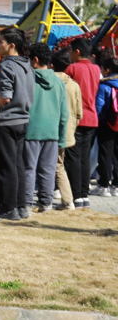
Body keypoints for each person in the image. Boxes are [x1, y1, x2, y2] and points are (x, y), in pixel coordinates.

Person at [0, 28, 34, 220]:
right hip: (23, 119)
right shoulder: (27, 65)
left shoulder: (7, 65)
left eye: (0, 41)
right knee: (17, 165)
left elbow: (5, 97)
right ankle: (21, 206)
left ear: (11, 45)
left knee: (6, 166)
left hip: (7, 120)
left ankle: (9, 208)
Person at [24, 44, 69, 211]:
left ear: (35, 60)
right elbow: (65, 114)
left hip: (30, 131)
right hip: (52, 133)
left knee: (29, 169)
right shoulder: (59, 83)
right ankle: (46, 203)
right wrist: (62, 138)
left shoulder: (28, 80)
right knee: (48, 170)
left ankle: (27, 203)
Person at [65, 39, 102, 208]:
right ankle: (84, 194)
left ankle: (76, 194)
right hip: (92, 117)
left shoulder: (72, 68)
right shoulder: (96, 69)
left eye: (70, 51)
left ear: (77, 51)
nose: (69, 54)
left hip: (76, 117)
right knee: (85, 157)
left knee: (73, 156)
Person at [50, 52, 82, 209]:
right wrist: (72, 126)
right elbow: (78, 112)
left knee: (53, 165)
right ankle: (67, 199)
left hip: (47, 129)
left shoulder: (49, 81)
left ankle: (66, 200)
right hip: (66, 130)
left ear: (51, 64)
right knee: (59, 164)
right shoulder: (74, 85)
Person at [94, 57, 118, 197]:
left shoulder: (104, 85)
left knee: (105, 154)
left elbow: (99, 107)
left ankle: (104, 185)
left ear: (107, 70)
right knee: (117, 154)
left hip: (107, 123)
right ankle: (116, 185)